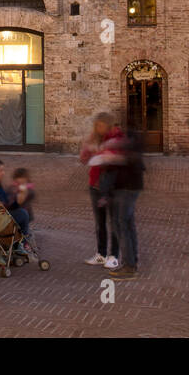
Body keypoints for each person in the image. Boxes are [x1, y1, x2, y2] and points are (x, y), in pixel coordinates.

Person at [99, 126, 144, 279]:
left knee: (122, 225)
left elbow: (133, 159)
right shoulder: (127, 141)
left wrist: (115, 158)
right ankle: (131, 262)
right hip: (126, 187)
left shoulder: (131, 142)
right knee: (128, 225)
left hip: (127, 188)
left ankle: (129, 266)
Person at [79, 112, 122, 267]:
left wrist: (98, 151)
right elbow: (84, 159)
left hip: (113, 187)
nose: (98, 128)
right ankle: (101, 254)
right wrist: (86, 147)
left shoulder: (117, 138)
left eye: (101, 125)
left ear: (108, 125)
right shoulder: (94, 138)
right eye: (96, 125)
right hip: (96, 185)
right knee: (100, 222)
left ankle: (114, 256)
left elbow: (115, 159)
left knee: (114, 221)